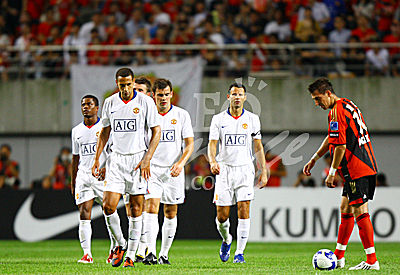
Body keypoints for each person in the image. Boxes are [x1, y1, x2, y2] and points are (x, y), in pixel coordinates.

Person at [303, 77, 379, 270]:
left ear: (328, 93)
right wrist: (315, 158)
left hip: (357, 168)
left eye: (318, 98)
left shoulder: (336, 112)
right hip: (361, 166)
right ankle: (338, 257)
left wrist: (332, 172)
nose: (317, 103)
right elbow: (333, 137)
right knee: (345, 208)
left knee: (360, 211)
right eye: (314, 100)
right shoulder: (346, 104)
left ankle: (372, 261)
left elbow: (340, 146)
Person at [92, 67, 161, 268]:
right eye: (121, 85)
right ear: (117, 84)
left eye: (128, 84)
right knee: (108, 205)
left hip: (138, 161)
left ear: (133, 83)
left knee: (136, 209)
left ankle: (131, 255)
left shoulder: (146, 102)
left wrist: (148, 158)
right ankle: (121, 244)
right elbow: (104, 132)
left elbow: (156, 132)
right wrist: (98, 159)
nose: (125, 88)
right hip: (116, 160)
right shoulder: (110, 103)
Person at [208, 83, 268, 263]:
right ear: (228, 97)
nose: (237, 97)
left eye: (240, 94)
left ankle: (239, 253)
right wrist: (213, 161)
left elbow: (258, 146)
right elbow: (212, 144)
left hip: (245, 170)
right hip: (224, 170)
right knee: (222, 216)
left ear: (245, 98)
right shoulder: (218, 119)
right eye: (234, 94)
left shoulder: (252, 119)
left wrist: (263, 171)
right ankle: (227, 239)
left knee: (244, 210)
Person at [138, 78, 194, 265]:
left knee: (170, 212)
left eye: (166, 94)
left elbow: (189, 144)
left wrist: (181, 163)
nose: (163, 98)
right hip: (151, 170)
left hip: (173, 171)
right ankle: (151, 253)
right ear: (153, 95)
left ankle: (164, 254)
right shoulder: (147, 115)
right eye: (159, 95)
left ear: (171, 94)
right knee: (151, 208)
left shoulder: (181, 115)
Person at [71, 95, 115, 264]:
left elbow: (112, 150)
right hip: (83, 175)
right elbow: (76, 157)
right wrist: (73, 179)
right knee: (84, 212)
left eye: (89, 104)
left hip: (103, 175)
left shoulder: (106, 127)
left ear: (97, 108)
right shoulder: (76, 131)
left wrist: (108, 167)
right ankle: (87, 254)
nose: (85, 107)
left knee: (109, 211)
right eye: (83, 104)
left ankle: (115, 247)